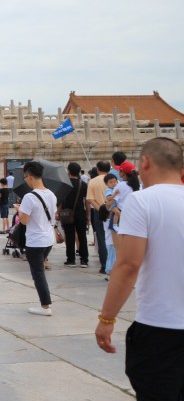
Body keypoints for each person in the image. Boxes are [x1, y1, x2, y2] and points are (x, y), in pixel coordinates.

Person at [95, 137, 184, 399]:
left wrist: (107, 318)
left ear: (144, 163)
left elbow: (128, 264)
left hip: (161, 326)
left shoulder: (141, 201)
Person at [17, 161, 57, 316]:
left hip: (35, 241)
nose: (26, 180)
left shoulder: (29, 197)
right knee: (40, 272)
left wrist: (19, 210)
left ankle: (45, 306)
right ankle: (45, 304)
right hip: (48, 239)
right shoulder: (52, 194)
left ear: (30, 176)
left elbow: (24, 221)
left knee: (38, 274)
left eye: (25, 177)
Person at [60, 163, 89, 268]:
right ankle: (84, 260)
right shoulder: (83, 184)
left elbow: (60, 201)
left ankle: (71, 259)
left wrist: (58, 213)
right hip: (80, 213)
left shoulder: (65, 184)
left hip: (67, 213)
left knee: (69, 236)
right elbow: (87, 202)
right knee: (82, 236)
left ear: (69, 171)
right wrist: (88, 215)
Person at [86, 160, 111, 273]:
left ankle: (105, 265)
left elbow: (90, 199)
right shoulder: (115, 180)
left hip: (99, 212)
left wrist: (101, 209)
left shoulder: (92, 181)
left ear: (97, 169)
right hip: (113, 211)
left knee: (101, 239)